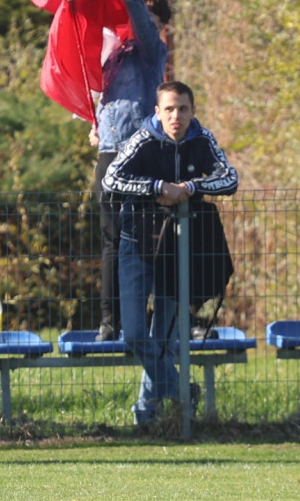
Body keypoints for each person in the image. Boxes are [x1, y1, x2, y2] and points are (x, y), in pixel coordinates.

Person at [102, 81, 238, 425]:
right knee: (134, 334)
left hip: (180, 247)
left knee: (162, 339)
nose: (176, 116)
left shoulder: (203, 139)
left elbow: (229, 179)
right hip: (137, 242)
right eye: (169, 109)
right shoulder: (143, 140)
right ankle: (180, 390)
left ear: (193, 111)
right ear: (157, 112)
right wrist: (157, 187)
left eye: (183, 109)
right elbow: (111, 178)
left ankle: (146, 417)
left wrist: (190, 188)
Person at [90, 0, 171, 341]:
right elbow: (92, 89)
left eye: (150, 17)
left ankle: (146, 319)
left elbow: (142, 28)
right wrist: (94, 122)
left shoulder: (154, 50)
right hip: (109, 151)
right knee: (111, 239)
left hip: (144, 152)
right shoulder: (112, 53)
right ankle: (111, 321)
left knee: (148, 238)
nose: (137, 22)